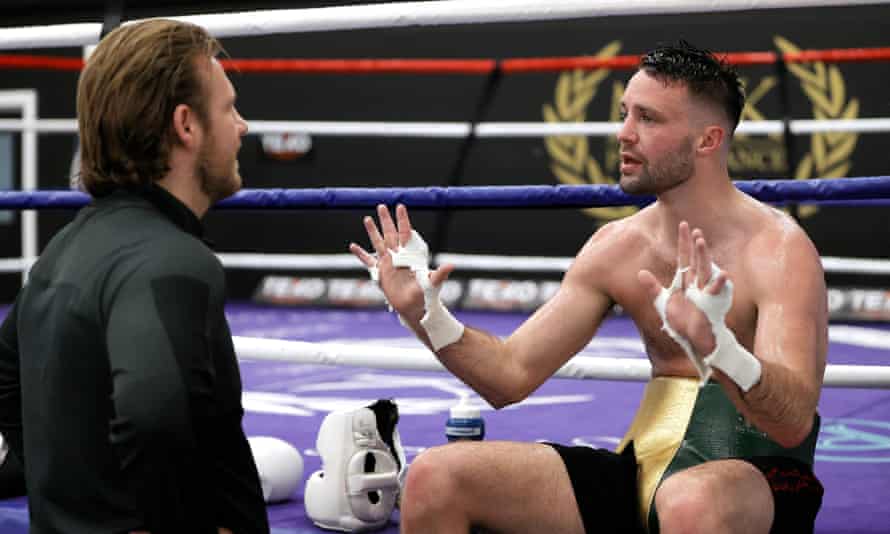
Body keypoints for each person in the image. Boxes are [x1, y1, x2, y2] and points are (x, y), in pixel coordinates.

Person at [350, 41, 826, 534]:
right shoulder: (617, 246)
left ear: (707, 140)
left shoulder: (777, 249)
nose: (623, 133)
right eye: (624, 114)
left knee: (690, 503)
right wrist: (424, 314)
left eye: (647, 118)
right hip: (642, 470)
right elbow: (509, 374)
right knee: (434, 476)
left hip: (760, 480)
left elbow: (791, 422)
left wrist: (718, 348)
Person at [0, 19, 269, 533]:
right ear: (186, 125)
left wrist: (79, 504)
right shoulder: (172, 260)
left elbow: (4, 378)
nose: (242, 126)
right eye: (228, 108)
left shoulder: (64, 247)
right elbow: (154, 415)